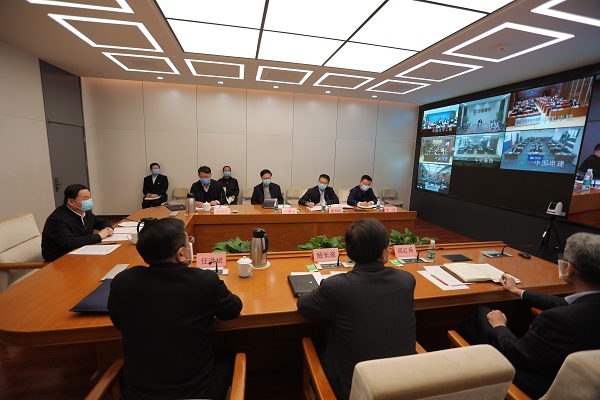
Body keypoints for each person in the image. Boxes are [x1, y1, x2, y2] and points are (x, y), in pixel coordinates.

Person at [107, 218, 243, 400]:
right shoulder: (204, 281)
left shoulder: (122, 282)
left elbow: (118, 322)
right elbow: (233, 310)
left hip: (139, 395)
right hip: (197, 393)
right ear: (181, 254)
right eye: (188, 242)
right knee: (228, 355)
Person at [459, 232, 600, 399]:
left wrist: (499, 325)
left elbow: (518, 354)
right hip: (583, 383)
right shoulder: (586, 305)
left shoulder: (556, 320)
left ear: (568, 269)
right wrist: (516, 290)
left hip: (536, 383)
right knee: (467, 329)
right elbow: (562, 303)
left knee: (479, 313)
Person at [297, 219, 416, 400]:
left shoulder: (336, 286)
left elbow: (304, 306)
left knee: (315, 342)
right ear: (384, 252)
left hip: (352, 389)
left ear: (349, 253)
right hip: (403, 385)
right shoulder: (406, 280)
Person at [41, 184, 113, 262]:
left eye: (90, 197)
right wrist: (99, 236)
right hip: (60, 261)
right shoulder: (57, 219)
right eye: (86, 198)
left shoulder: (83, 211)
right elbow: (70, 242)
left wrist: (108, 228)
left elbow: (101, 222)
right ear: (71, 201)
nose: (90, 201)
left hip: (82, 253)